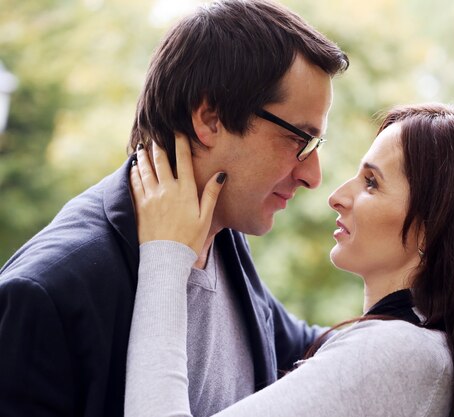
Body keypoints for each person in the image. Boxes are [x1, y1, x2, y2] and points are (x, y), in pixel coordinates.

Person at [0, 1, 348, 416]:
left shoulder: (221, 233)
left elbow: (307, 346)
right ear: (210, 118)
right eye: (299, 139)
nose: (313, 176)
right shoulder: (46, 293)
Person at [125, 102, 454, 417]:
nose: (336, 196)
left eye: (371, 183)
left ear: (435, 226)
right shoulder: (408, 347)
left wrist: (165, 252)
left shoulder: (397, 354)